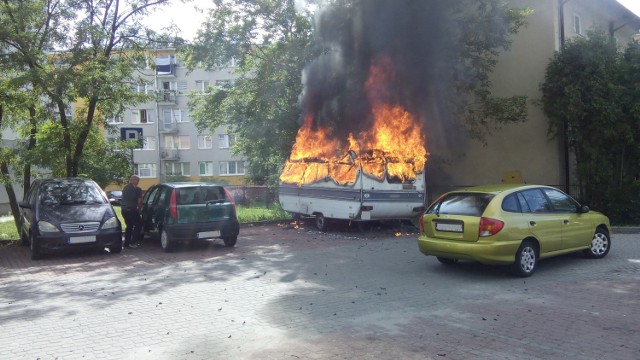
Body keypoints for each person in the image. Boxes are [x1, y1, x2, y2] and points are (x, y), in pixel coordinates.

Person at [121, 175, 143, 248]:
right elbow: (139, 201)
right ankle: (133, 242)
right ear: (134, 180)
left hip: (124, 210)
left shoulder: (125, 188)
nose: (138, 182)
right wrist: (139, 209)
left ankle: (126, 243)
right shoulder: (138, 189)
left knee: (129, 226)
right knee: (138, 225)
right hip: (132, 210)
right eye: (138, 181)